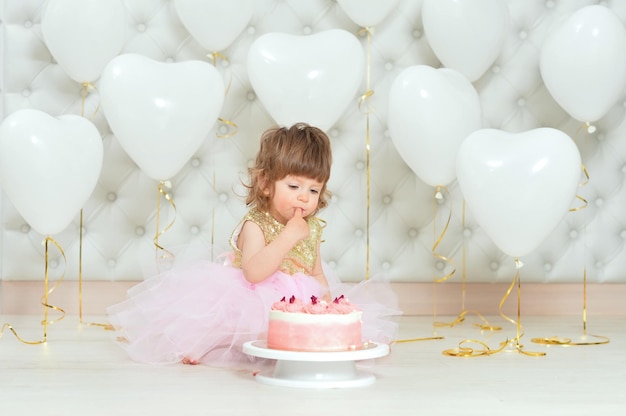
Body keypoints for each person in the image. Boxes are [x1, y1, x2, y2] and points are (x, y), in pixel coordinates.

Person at [107, 122, 399, 369]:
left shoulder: (310, 229)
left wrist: (325, 310)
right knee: (239, 328)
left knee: (305, 335)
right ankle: (205, 344)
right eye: (294, 187)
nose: (304, 198)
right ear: (265, 183)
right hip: (252, 296)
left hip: (296, 304)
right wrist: (288, 237)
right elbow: (254, 273)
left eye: (314, 190)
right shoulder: (255, 224)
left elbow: (317, 272)